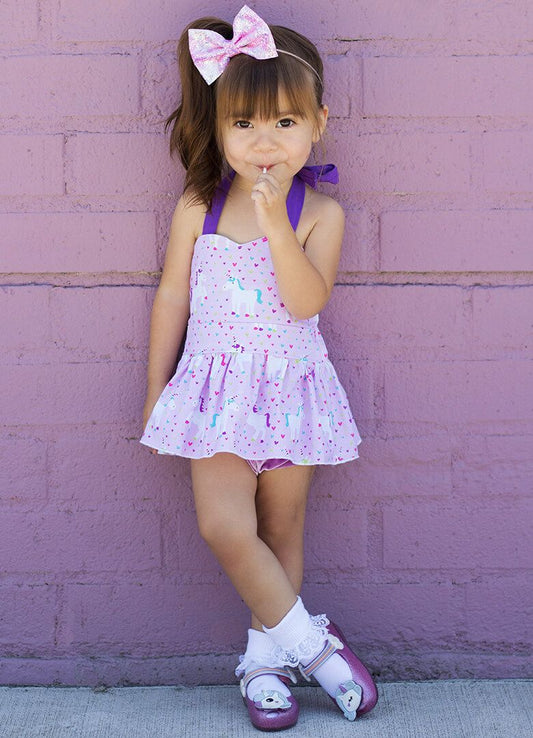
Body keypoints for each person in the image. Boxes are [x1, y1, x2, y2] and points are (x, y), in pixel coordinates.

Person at [141, 5, 378, 730]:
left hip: (291, 389)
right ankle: (315, 647)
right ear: (218, 130)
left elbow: (305, 302)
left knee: (280, 530)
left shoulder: (321, 214)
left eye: (285, 122)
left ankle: (264, 666)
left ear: (318, 124)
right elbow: (172, 296)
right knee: (224, 526)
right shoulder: (199, 207)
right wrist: (156, 390)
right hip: (213, 393)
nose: (264, 141)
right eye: (243, 123)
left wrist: (278, 225)